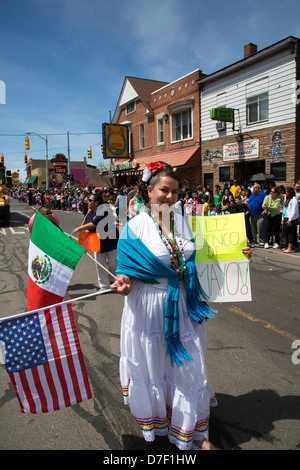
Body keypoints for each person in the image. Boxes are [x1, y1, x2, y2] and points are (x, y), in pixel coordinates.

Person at [111, 162, 251, 451]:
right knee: (155, 364)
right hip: (150, 307)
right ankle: (161, 415)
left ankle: (194, 433)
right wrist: (123, 283)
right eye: (164, 190)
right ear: (149, 191)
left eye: (175, 192)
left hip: (184, 306)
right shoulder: (134, 228)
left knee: (186, 365)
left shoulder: (184, 221)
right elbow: (125, 271)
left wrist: (238, 254)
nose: (170, 197)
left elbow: (200, 257)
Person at [71, 192, 118, 291]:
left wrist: (78, 228)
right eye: (88, 200)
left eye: (90, 200)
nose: (87, 202)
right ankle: (104, 287)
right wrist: (84, 242)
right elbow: (88, 227)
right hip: (98, 244)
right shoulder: (90, 213)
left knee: (113, 265)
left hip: (111, 242)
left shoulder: (103, 211)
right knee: (100, 266)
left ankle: (111, 280)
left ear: (96, 202)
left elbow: (93, 224)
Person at [282, 187, 299, 253]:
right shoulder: (286, 199)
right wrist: (283, 218)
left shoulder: (294, 200)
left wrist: (290, 219)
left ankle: (290, 247)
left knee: (290, 233)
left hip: (291, 218)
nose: (286, 193)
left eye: (287, 192)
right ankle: (287, 246)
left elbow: (293, 210)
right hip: (286, 217)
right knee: (286, 233)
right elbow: (284, 209)